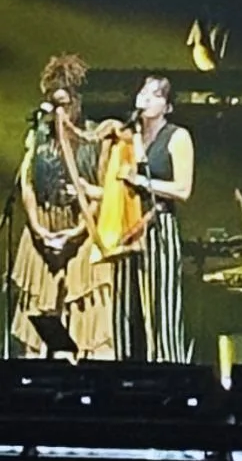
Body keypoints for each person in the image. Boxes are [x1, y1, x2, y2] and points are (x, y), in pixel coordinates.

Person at [9, 56, 115, 359]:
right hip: (42, 232)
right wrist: (39, 229)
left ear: (77, 103)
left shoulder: (96, 138)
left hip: (83, 234)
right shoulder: (38, 137)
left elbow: (103, 195)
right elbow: (27, 185)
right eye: (54, 105)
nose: (59, 112)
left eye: (65, 104)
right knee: (36, 313)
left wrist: (75, 233)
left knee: (88, 311)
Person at [113, 74, 194, 362]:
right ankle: (124, 366)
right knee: (125, 306)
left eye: (156, 94)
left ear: (168, 106)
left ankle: (169, 365)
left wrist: (142, 182)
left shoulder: (177, 136)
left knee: (162, 307)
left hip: (159, 226)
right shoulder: (128, 138)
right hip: (129, 229)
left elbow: (183, 189)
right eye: (143, 92)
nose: (146, 98)